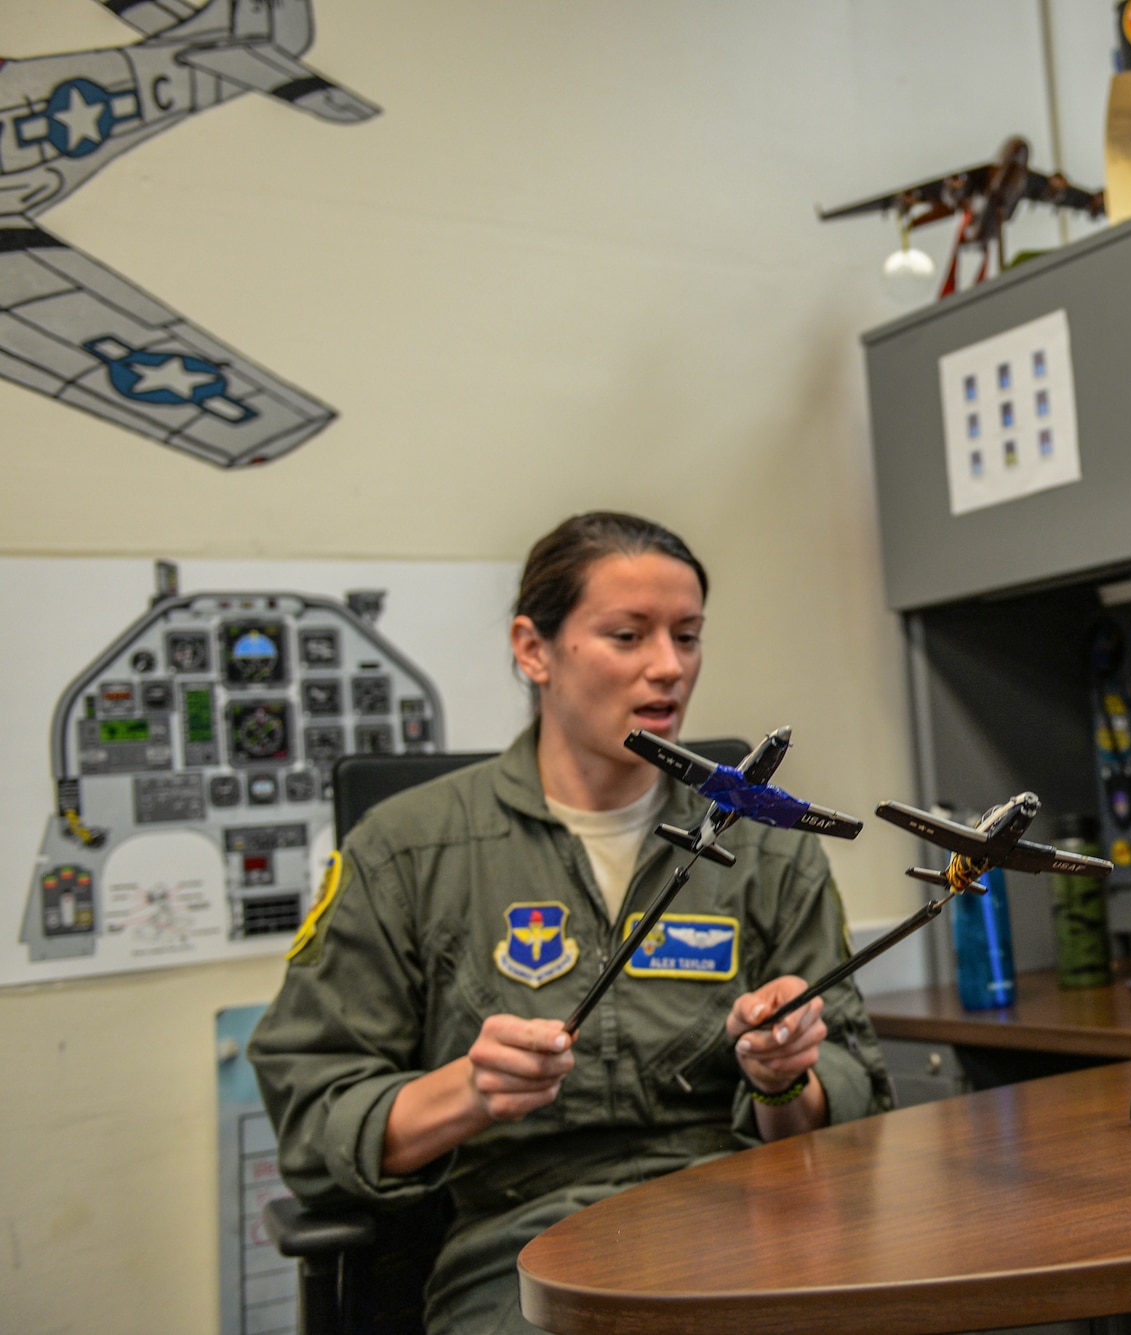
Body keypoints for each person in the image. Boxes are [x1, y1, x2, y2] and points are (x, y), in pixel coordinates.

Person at [250, 512, 893, 1334]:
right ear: (533, 649)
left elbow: (856, 1091)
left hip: (753, 1229)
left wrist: (782, 1075)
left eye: (688, 636)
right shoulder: (407, 849)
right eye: (628, 634)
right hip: (526, 1256)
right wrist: (469, 1091)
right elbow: (314, 1122)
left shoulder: (768, 847)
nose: (669, 667)